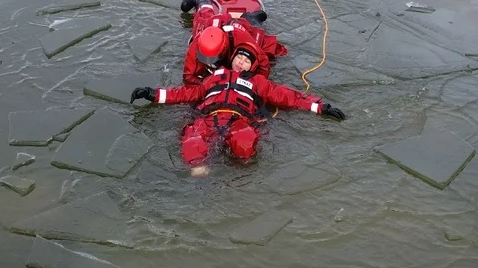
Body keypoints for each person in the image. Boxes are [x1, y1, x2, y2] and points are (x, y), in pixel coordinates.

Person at [131, 45, 345, 176]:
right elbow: (186, 94)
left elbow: (287, 96)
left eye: (247, 61)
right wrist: (153, 94)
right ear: (232, 59)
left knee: (244, 142)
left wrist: (320, 107)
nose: (241, 63)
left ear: (251, 66)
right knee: (193, 141)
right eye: (239, 58)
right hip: (208, 117)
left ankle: (238, 175)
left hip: (240, 119)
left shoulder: (258, 82)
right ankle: (200, 178)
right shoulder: (212, 78)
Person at [179, 0, 287, 85]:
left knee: (260, 40)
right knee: (202, 20)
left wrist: (253, 84)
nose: (208, 62)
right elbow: (188, 76)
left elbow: (263, 64)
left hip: (236, 30)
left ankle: (252, 19)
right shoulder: (199, 42)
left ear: (223, 47)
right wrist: (206, 83)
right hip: (212, 25)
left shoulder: (240, 38)